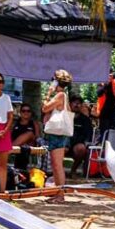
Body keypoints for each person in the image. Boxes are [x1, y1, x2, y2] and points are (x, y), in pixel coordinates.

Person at [41, 69, 72, 202]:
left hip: (57, 134)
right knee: (55, 164)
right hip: (57, 134)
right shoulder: (63, 95)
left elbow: (45, 108)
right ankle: (57, 192)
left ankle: (60, 195)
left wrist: (48, 93)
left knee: (57, 164)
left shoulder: (60, 95)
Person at [68, 96, 94, 177]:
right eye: (74, 102)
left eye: (79, 103)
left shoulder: (85, 119)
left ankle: (73, 170)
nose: (77, 105)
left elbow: (89, 134)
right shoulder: (64, 116)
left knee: (81, 148)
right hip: (63, 143)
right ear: (69, 104)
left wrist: (86, 143)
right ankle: (58, 172)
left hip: (77, 144)